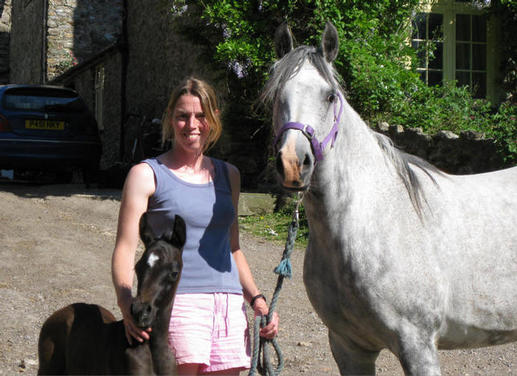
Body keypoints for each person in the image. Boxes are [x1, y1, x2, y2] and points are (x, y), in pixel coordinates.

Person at [112, 77, 279, 375]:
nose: (192, 124)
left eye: (201, 116)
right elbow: (125, 248)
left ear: (213, 119)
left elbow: (232, 248)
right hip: (179, 304)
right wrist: (126, 304)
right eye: (182, 116)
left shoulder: (230, 176)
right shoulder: (147, 174)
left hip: (228, 307)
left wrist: (256, 299)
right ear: (170, 120)